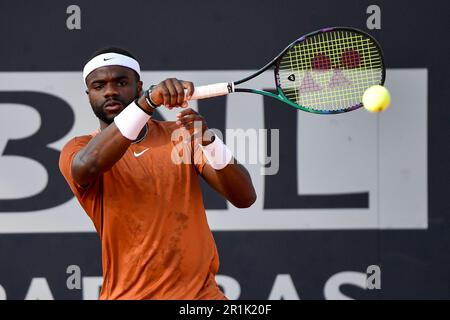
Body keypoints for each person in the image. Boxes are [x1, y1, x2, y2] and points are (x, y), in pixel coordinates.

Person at [59, 47, 256, 300]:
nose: (110, 91)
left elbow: (244, 197)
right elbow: (88, 166)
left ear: (138, 86)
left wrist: (209, 141)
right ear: (89, 96)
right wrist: (147, 103)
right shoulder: (78, 148)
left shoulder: (180, 134)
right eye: (99, 86)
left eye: (121, 82)